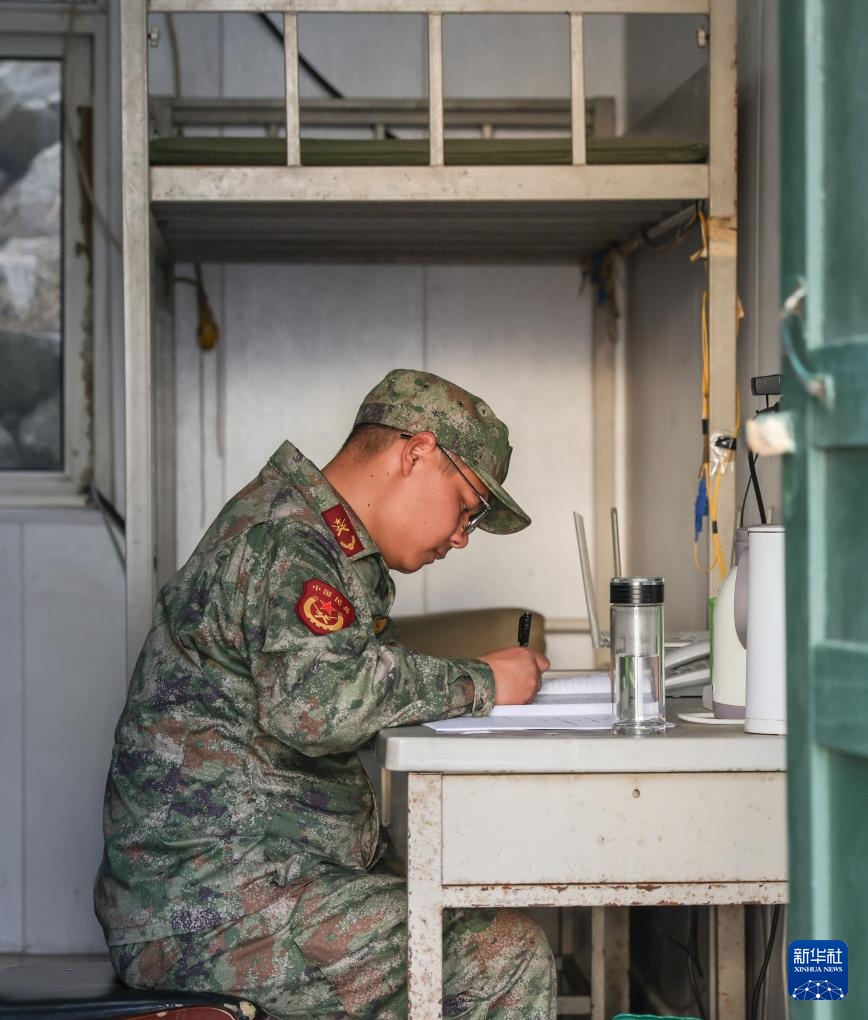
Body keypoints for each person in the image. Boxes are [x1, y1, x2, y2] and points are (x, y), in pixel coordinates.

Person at [95, 368, 555, 1018]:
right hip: (210, 906)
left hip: (249, 880)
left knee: (464, 908)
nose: (460, 535)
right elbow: (320, 707)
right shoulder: (289, 541)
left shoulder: (317, 540)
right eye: (468, 506)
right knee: (506, 955)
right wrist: (483, 682)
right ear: (417, 452)